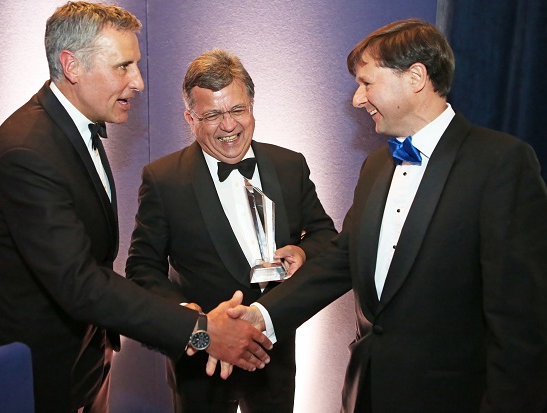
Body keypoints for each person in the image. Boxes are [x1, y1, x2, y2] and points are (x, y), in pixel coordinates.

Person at [231, 19, 547, 413]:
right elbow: (341, 260)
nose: (357, 99)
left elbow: (519, 321)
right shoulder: (377, 165)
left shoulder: (501, 162)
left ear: (416, 77)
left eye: (367, 83)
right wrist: (262, 314)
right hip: (367, 393)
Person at [0, 4, 271, 413]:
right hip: (38, 375)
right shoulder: (27, 150)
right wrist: (201, 330)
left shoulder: (71, 129)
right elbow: (81, 285)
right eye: (124, 66)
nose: (138, 81)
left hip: (87, 360)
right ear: (72, 66)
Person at [125, 49, 337, 413]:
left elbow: (326, 238)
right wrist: (188, 318)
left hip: (275, 356)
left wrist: (303, 253)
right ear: (190, 119)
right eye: (212, 115)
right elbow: (142, 268)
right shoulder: (163, 180)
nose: (229, 126)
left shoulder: (290, 165)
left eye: (238, 110)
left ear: (252, 106)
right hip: (202, 362)